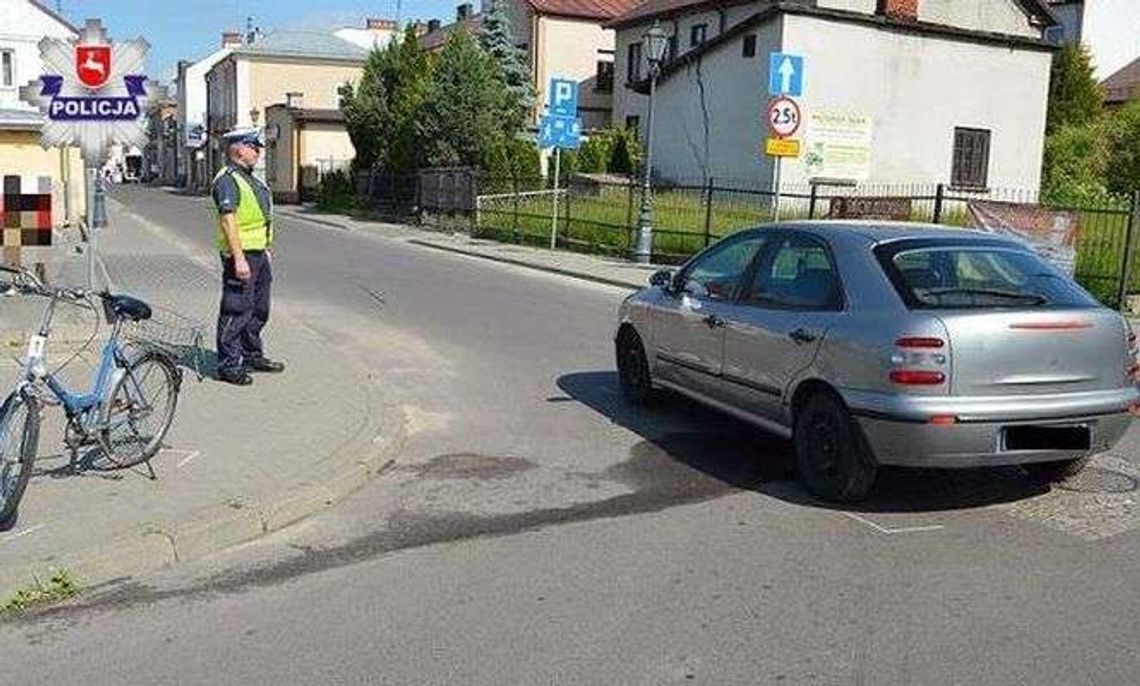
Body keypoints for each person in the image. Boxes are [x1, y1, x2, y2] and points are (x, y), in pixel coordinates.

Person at [211, 127, 285, 385]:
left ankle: (252, 354)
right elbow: (228, 220)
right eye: (254, 146)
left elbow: (259, 217)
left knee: (258, 308)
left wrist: (264, 249)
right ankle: (228, 364)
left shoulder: (251, 178)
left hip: (258, 253)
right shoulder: (228, 179)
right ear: (238, 148)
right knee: (236, 308)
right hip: (240, 255)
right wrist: (238, 257)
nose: (258, 152)